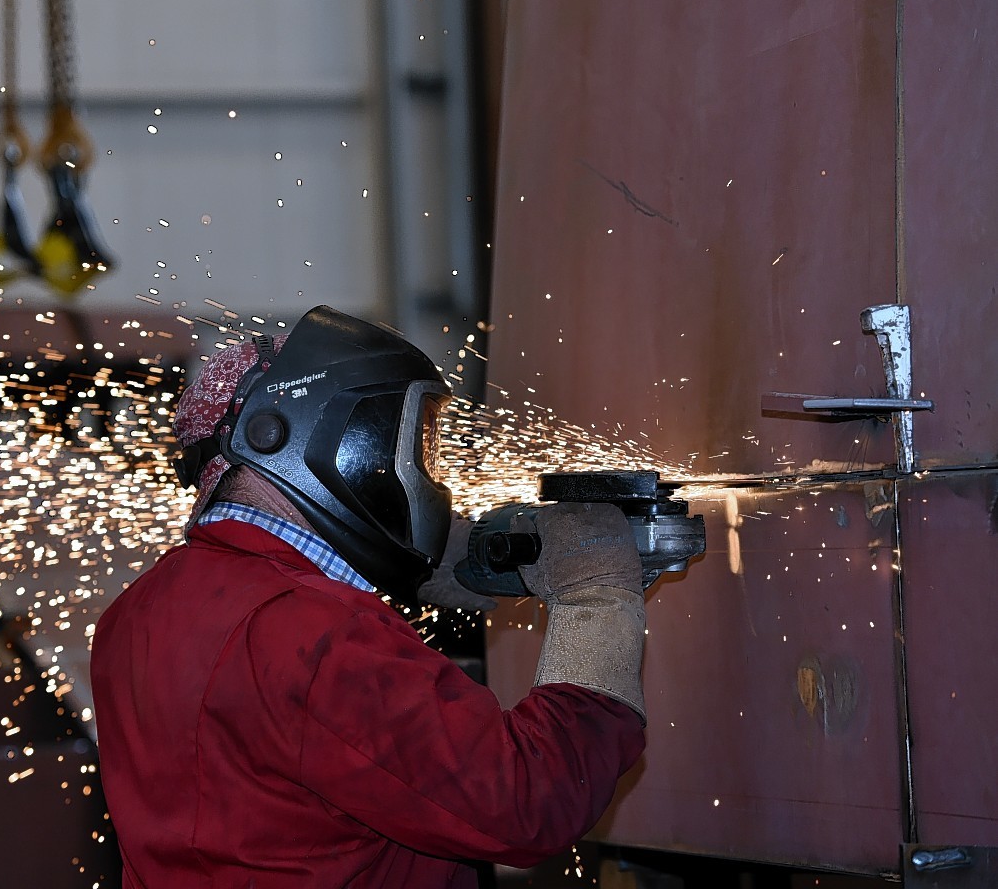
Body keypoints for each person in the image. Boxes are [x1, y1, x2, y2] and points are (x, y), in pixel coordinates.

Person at [90, 305, 646, 888]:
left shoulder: (136, 611)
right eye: (416, 445)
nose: (423, 471)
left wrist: (448, 557)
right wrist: (595, 596)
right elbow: (529, 801)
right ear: (307, 436)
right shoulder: (317, 638)